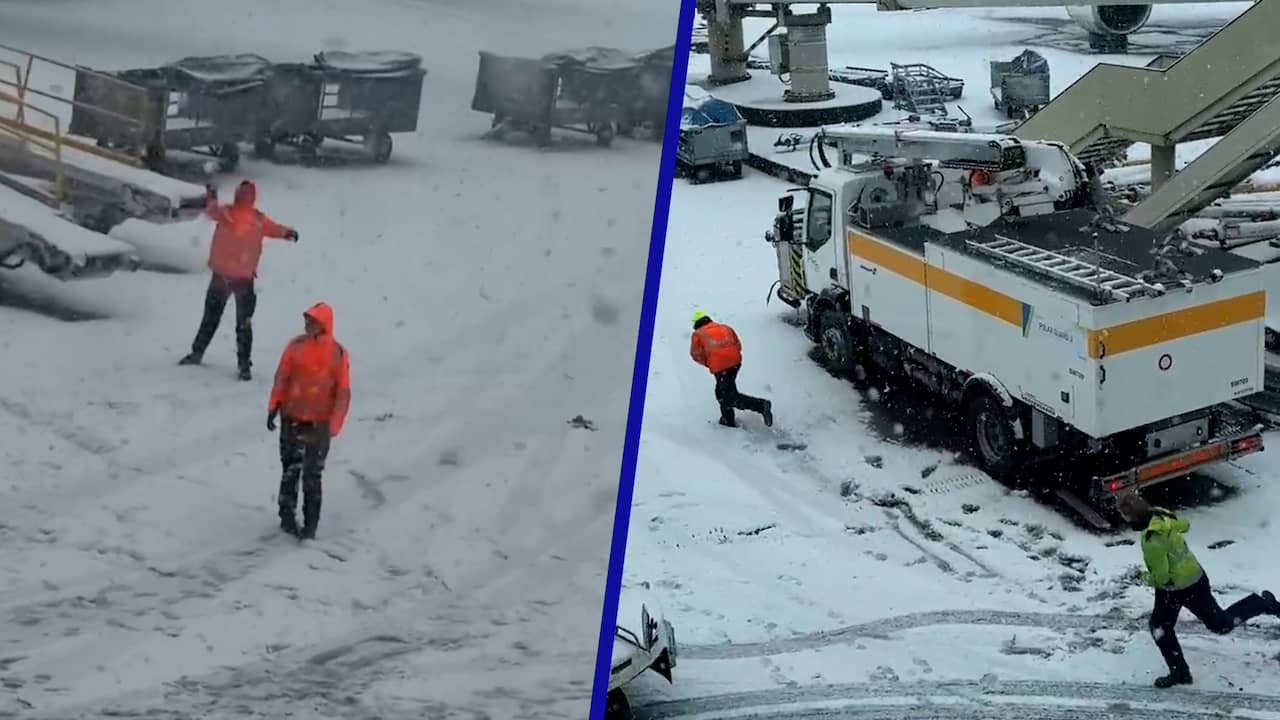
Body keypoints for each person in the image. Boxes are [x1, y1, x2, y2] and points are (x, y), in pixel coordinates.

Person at [1116, 492, 1280, 688]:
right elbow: (1185, 525)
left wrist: (1142, 577)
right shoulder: (1162, 516)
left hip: (1174, 589)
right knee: (1220, 624)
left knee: (1160, 627)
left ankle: (1180, 673)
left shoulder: (1152, 540)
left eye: (1123, 515)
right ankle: (1262, 603)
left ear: (1129, 516)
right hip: (1196, 578)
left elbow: (1161, 578)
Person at [179, 180, 299, 381]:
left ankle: (197, 352)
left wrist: (210, 194)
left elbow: (210, 209)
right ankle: (244, 365)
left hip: (221, 276)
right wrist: (289, 233)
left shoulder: (225, 214)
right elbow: (276, 229)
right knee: (244, 324)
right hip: (243, 279)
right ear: (253, 198)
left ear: (236, 195)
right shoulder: (258, 219)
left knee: (210, 317)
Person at [267, 302, 351, 540]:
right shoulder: (295, 347)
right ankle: (287, 517)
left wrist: (333, 426)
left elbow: (342, 392)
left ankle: (310, 525)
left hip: (319, 423)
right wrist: (274, 405)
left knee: (312, 474)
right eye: (306, 320)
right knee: (290, 469)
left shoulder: (337, 354)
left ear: (323, 325)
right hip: (292, 416)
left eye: (311, 321)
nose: (306, 325)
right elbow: (282, 377)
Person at [689, 309, 772, 429]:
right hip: (735, 363)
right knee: (723, 391)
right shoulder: (725, 327)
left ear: (696, 323)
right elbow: (738, 345)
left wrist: (710, 362)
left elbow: (696, 354)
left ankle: (761, 405)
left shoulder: (698, 334)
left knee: (727, 397)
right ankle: (727, 420)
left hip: (720, 366)